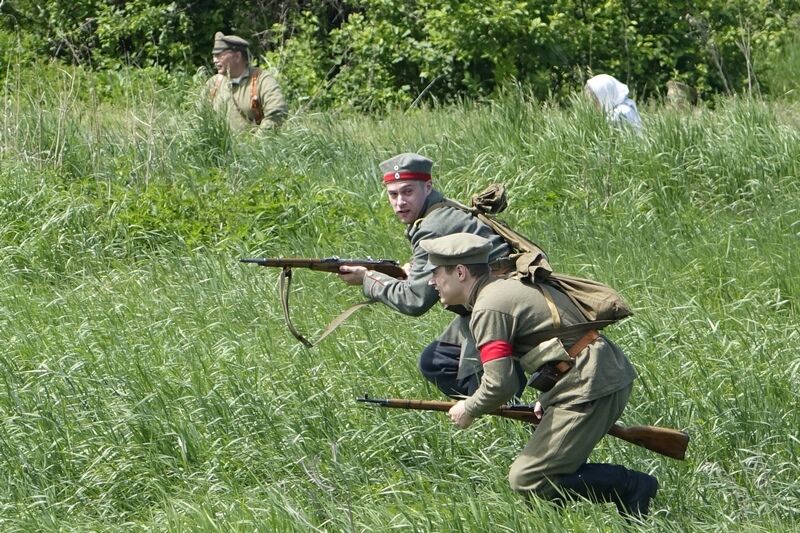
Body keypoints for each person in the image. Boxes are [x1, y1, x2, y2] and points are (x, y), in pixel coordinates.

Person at [421, 232, 659, 518]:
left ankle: (633, 487)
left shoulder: (489, 307)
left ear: (460, 272)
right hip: (591, 377)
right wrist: (549, 396)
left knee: (528, 480)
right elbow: (555, 342)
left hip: (589, 384)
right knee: (544, 473)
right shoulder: (503, 288)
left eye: (435, 272)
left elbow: (501, 384)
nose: (431, 281)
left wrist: (469, 408)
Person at [337, 153, 526, 398]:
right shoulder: (438, 212)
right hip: (499, 297)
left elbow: (414, 301)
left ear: (427, 187)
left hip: (498, 308)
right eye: (393, 194)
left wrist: (367, 280)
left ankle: (502, 418)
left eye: (407, 192)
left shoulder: (433, 225)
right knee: (436, 362)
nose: (399, 202)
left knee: (480, 385)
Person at [204, 32, 288, 132]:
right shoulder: (213, 84)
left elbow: (277, 112)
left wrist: (255, 144)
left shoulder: (262, 79)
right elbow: (197, 117)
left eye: (219, 55)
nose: (215, 60)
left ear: (237, 56)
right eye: (214, 56)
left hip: (256, 145)